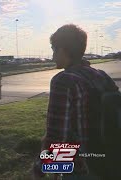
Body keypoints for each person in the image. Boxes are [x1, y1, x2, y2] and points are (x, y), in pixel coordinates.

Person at [32, 24, 119, 179]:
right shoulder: (100, 75)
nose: (52, 56)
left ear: (63, 50)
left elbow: (57, 135)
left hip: (80, 169)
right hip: (109, 161)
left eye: (54, 49)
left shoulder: (63, 81)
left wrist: (40, 170)